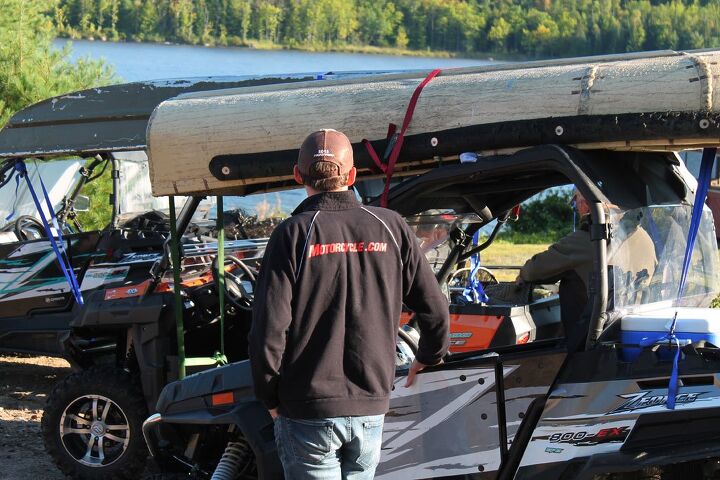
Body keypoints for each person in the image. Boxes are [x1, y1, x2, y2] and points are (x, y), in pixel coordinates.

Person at [249, 129, 449, 480]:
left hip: (307, 409)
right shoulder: (390, 226)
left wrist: (269, 397)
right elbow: (434, 306)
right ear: (353, 176)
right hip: (370, 404)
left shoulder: (293, 233)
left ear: (297, 176)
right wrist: (429, 355)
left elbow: (269, 329)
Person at [515, 188, 655, 351]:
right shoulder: (646, 239)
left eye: (576, 203)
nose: (577, 208)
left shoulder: (588, 238)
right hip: (629, 339)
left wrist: (522, 275)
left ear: (585, 204)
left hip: (586, 346)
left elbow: (534, 270)